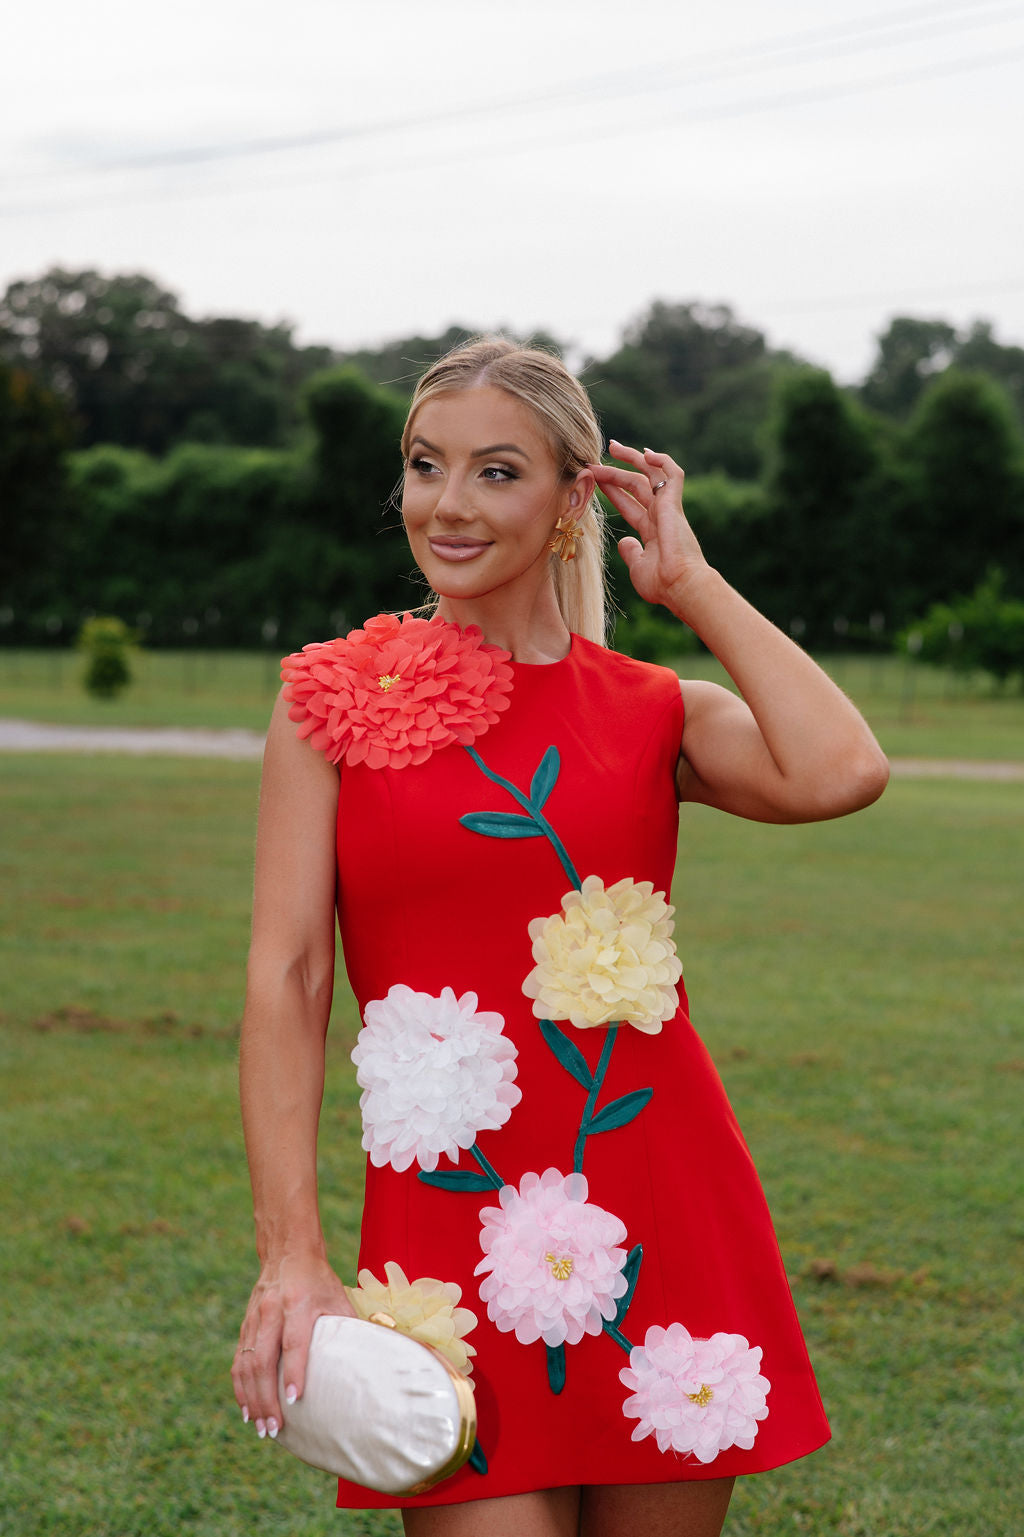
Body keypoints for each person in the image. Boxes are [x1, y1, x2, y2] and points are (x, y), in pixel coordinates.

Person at [231, 337, 889, 1537]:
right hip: (446, 1232)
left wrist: (691, 585)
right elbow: (289, 976)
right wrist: (291, 1254)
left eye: (496, 471)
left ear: (571, 501)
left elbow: (841, 769)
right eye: (425, 465)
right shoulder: (332, 700)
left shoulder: (651, 709)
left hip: (660, 1206)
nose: (447, 503)